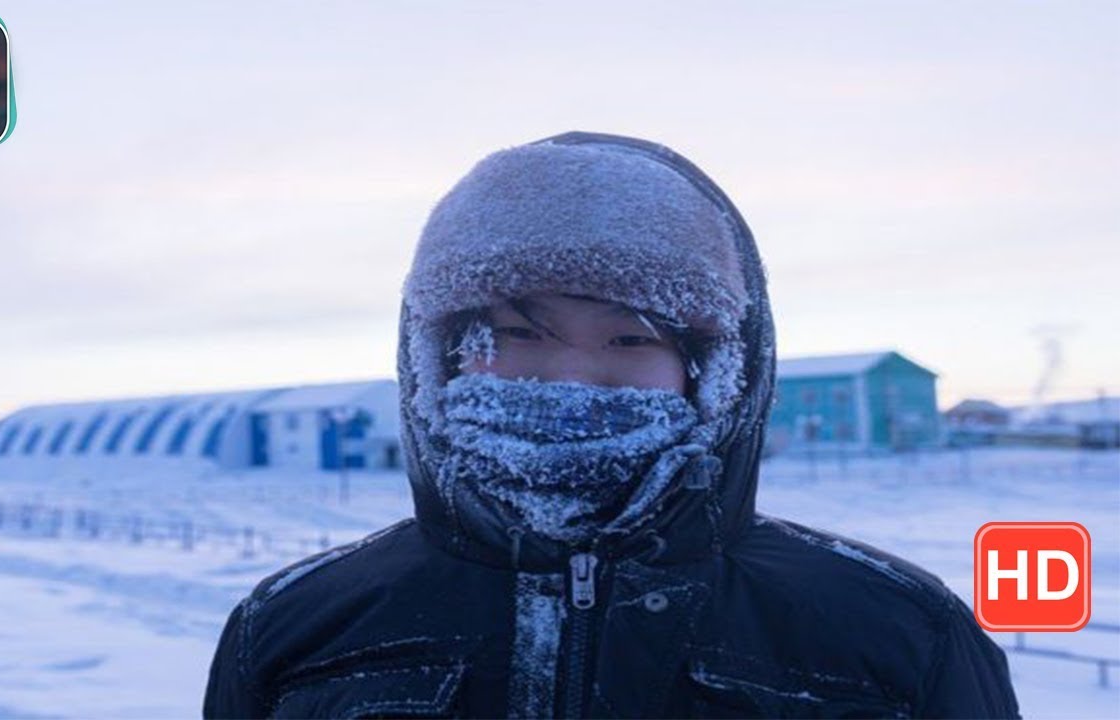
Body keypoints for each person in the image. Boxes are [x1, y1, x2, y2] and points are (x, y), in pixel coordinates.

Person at [203, 131, 1020, 718]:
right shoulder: (296, 628)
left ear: (717, 374)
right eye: (520, 334)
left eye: (630, 338)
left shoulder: (895, 634)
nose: (571, 376)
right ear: (439, 356)